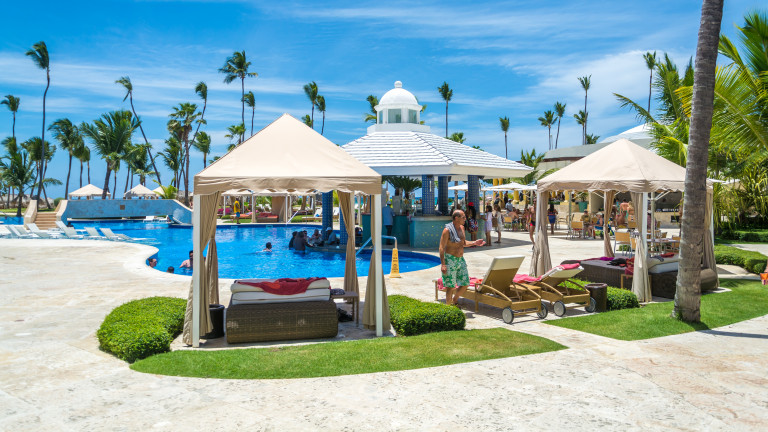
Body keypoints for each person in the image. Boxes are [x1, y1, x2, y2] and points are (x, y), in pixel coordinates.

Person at [439, 210, 485, 307]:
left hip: (460, 259)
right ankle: (449, 308)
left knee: (465, 283)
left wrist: (474, 242)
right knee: (450, 286)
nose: (465, 219)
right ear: (456, 218)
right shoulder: (447, 230)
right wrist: (443, 264)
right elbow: (441, 247)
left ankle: (454, 300)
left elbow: (463, 243)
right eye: (463, 217)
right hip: (450, 259)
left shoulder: (462, 228)